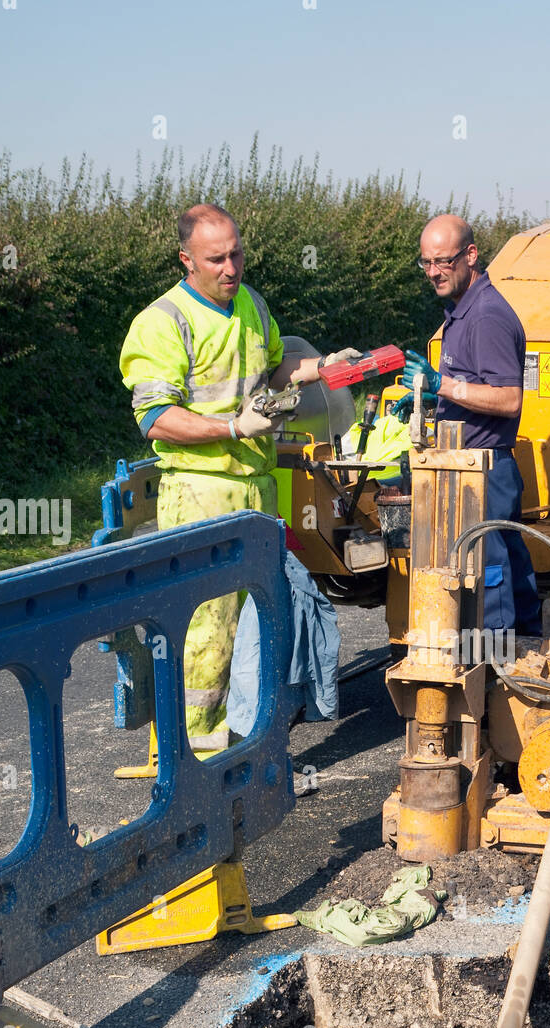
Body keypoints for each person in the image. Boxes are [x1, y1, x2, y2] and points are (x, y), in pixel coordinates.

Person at [120, 203, 358, 752]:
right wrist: (233, 425)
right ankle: (195, 759)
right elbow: (156, 419)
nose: (232, 268)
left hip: (256, 488)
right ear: (187, 260)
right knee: (206, 634)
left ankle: (248, 748)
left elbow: (272, 370)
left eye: (237, 254)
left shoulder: (251, 303)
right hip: (200, 493)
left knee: (257, 626)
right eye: (216, 259)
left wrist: (320, 367)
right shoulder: (162, 322)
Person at [394, 214, 541, 635]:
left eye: (442, 261)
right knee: (506, 560)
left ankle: (495, 675)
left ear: (471, 255)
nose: (433, 272)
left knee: (489, 574)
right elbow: (471, 388)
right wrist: (429, 397)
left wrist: (443, 384)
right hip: (473, 465)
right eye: (425, 263)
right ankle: (527, 646)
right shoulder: (462, 311)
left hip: (485, 468)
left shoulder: (486, 317)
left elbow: (509, 399)